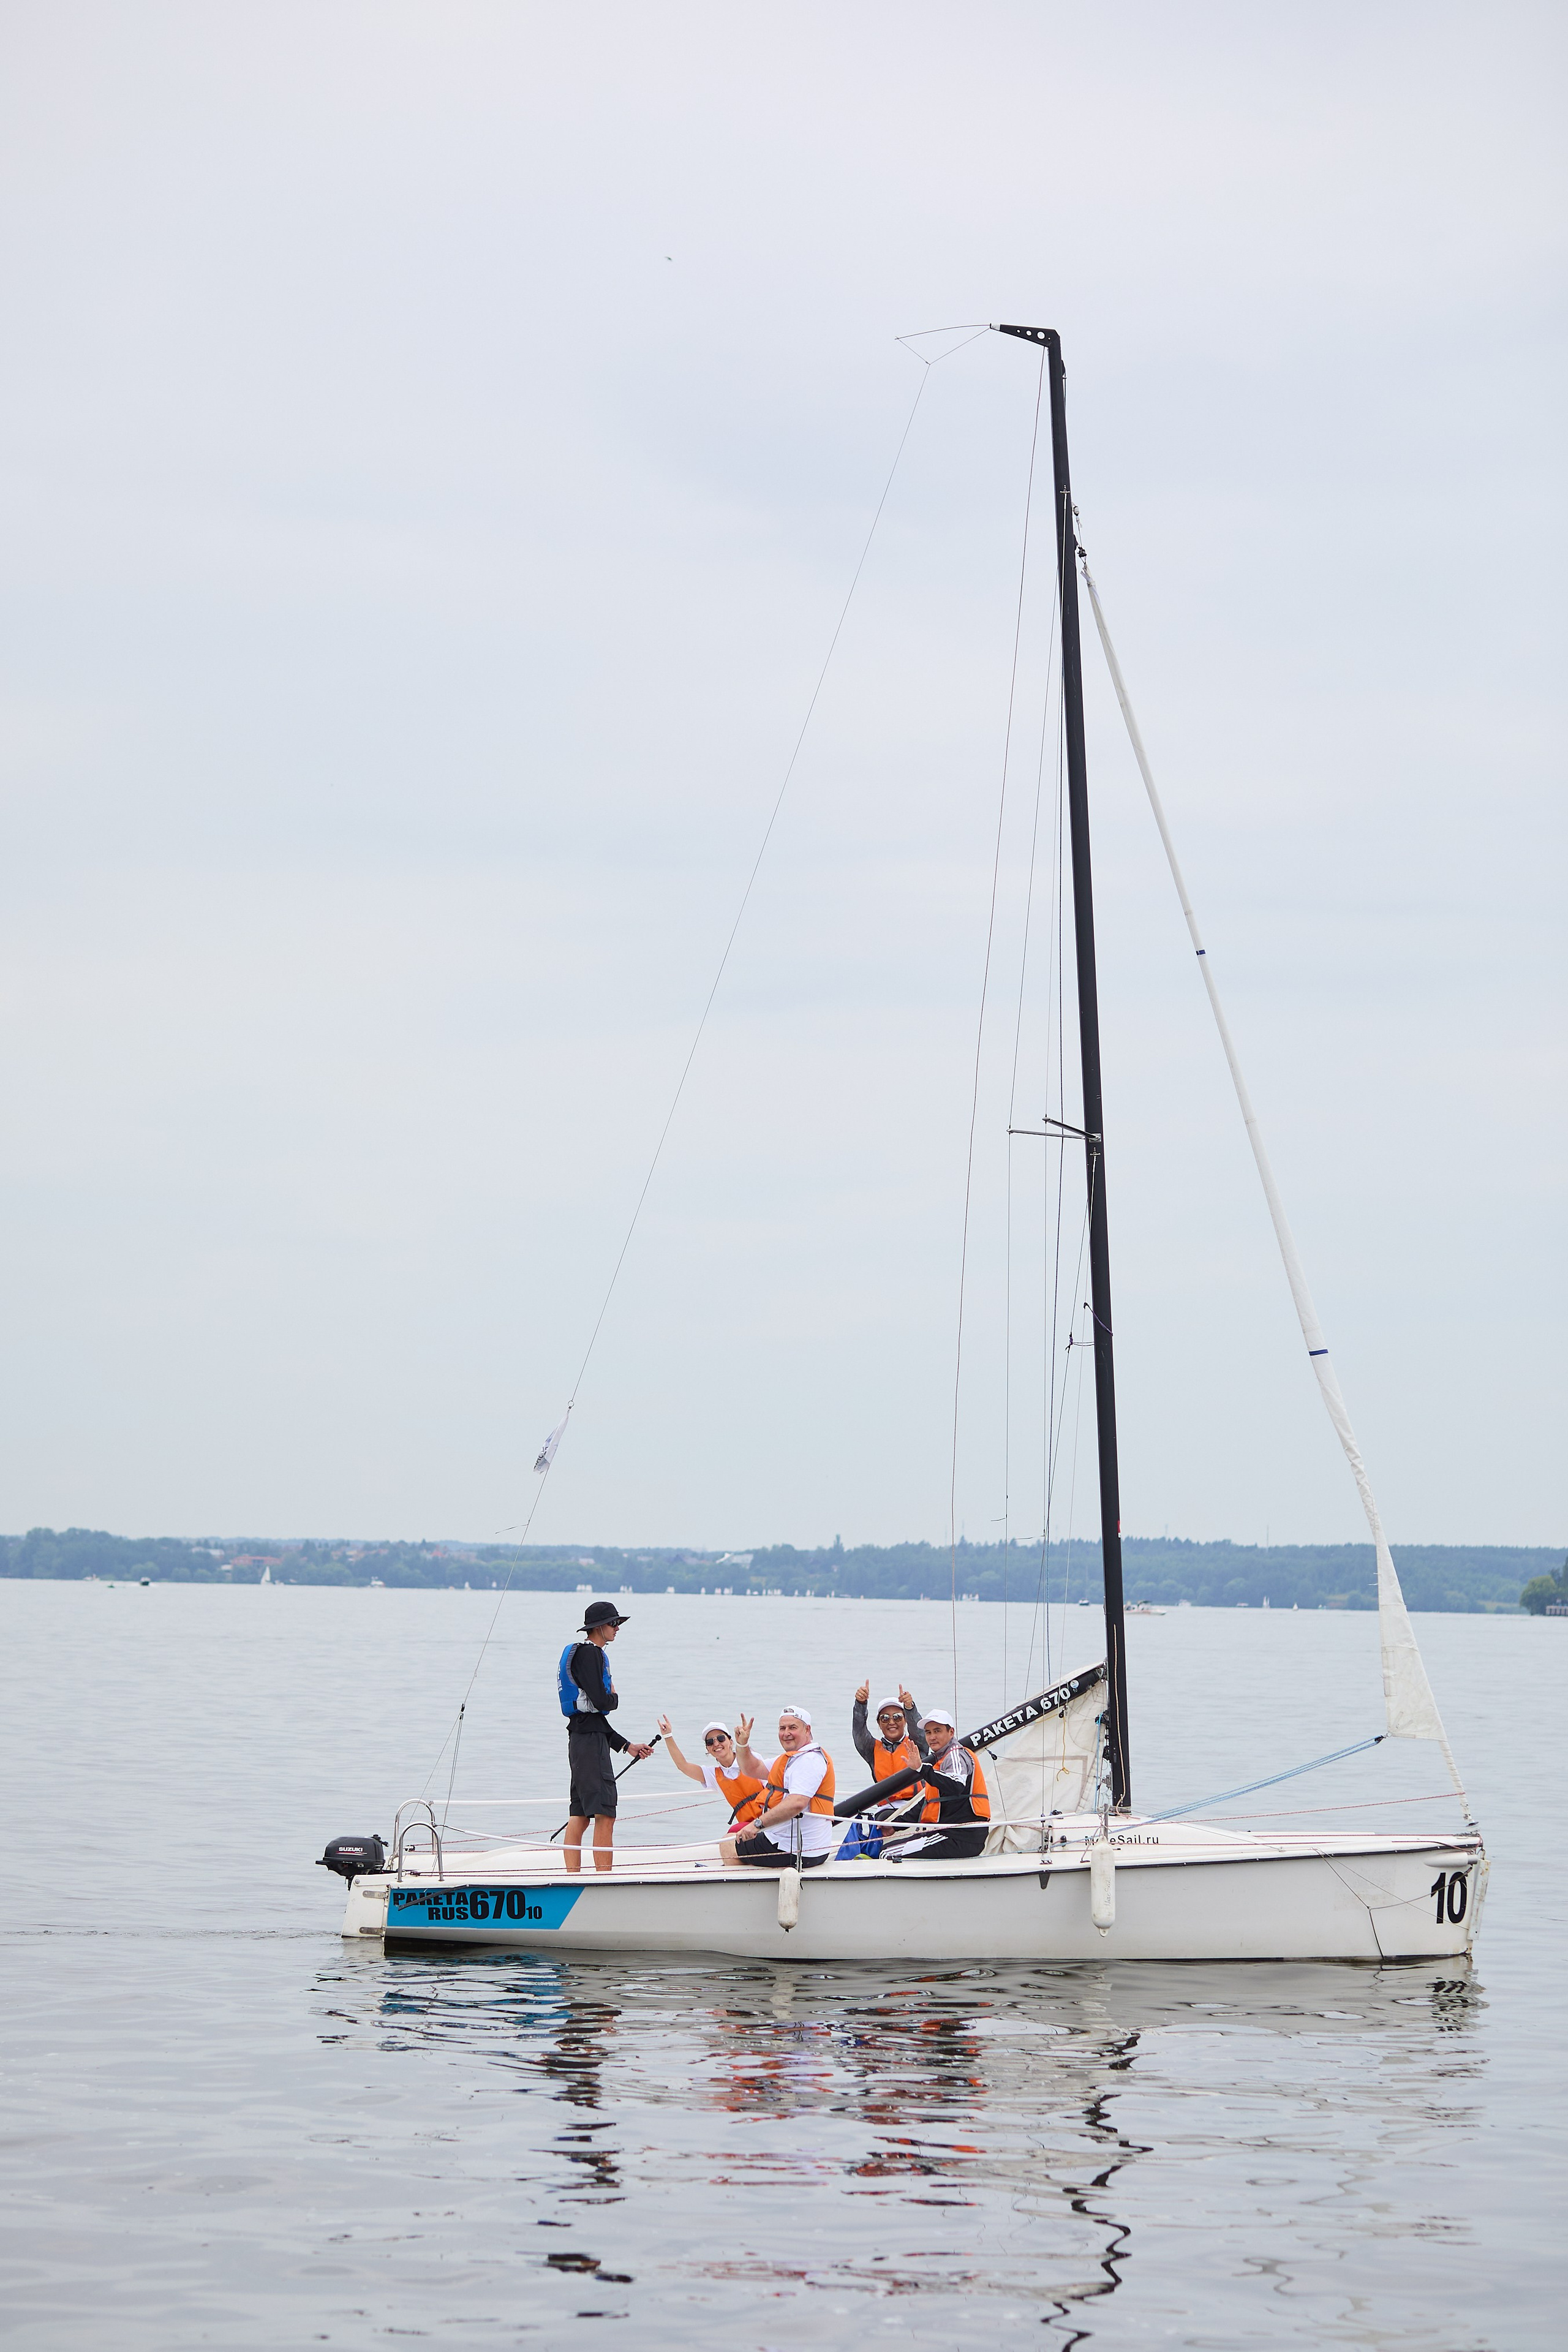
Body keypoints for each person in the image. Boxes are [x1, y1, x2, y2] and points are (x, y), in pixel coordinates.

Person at [558, 1601, 653, 1872]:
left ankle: (573, 1877)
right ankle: (603, 1878)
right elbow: (601, 1701)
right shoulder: (592, 1654)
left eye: (618, 1623)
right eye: (613, 1623)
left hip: (581, 1742)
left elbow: (591, 1718)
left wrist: (626, 1746)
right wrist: (615, 1698)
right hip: (590, 1745)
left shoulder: (582, 1653)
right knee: (605, 1813)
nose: (617, 1628)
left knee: (580, 1815)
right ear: (598, 1627)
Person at [722, 1706, 837, 1869]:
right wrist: (742, 1744)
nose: (786, 1733)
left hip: (795, 1850)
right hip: (798, 1845)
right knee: (736, 1835)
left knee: (727, 1844)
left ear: (807, 1730)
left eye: (792, 1728)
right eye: (782, 1728)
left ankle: (744, 1883)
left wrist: (757, 1824)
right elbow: (751, 1769)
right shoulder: (792, 1758)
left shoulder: (809, 1760)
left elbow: (797, 1803)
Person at [885, 1703, 991, 1862]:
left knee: (886, 1854)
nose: (932, 1737)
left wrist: (921, 1768)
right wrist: (895, 1826)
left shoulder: (955, 1756)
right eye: (928, 1732)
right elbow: (929, 1802)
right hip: (950, 1835)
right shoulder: (942, 1759)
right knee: (888, 1848)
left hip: (960, 1837)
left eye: (937, 1731)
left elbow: (956, 1785)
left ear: (951, 1732)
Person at [657, 1714, 768, 1833]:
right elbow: (683, 1766)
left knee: (732, 1834)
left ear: (731, 1742)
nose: (716, 1744)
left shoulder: (750, 1758)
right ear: (708, 1749)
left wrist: (743, 1743)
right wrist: (668, 1736)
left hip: (771, 1818)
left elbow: (773, 1787)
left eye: (721, 1739)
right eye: (710, 1742)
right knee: (731, 1836)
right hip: (749, 1828)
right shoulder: (713, 1775)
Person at [851, 1683, 929, 1787]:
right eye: (885, 1718)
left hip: (918, 1797)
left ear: (905, 1720)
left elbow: (919, 1731)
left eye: (897, 1717)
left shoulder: (917, 1744)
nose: (892, 1722)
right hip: (885, 1798)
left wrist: (909, 1708)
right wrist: (861, 1704)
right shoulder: (871, 1749)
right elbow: (859, 1730)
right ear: (879, 1723)